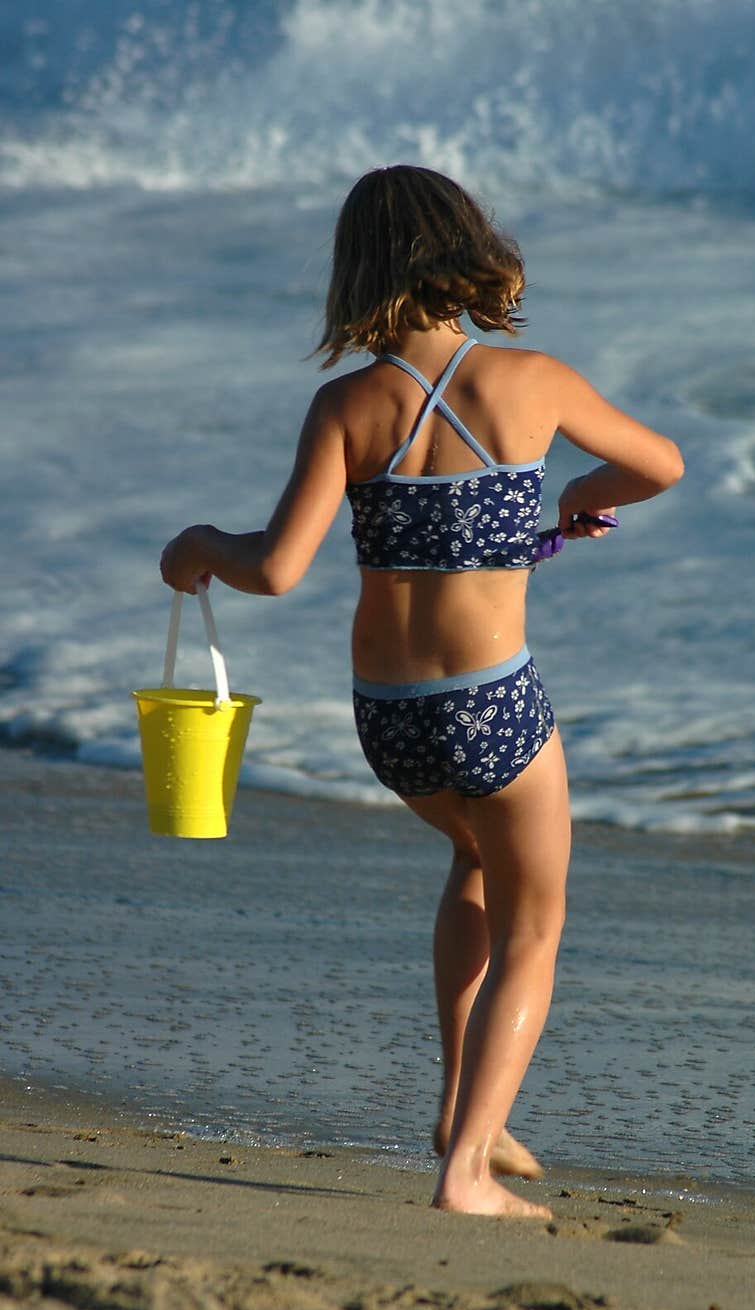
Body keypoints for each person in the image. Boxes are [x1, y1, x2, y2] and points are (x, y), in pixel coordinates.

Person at [160, 165, 684, 1219]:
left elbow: (276, 567)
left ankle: (460, 1113)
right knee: (536, 924)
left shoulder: (347, 404)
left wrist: (198, 546)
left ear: (361, 271)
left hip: (387, 720)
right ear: (469, 252)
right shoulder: (531, 383)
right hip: (495, 705)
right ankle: (466, 1174)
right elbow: (661, 463)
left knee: (472, 856)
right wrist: (580, 492)